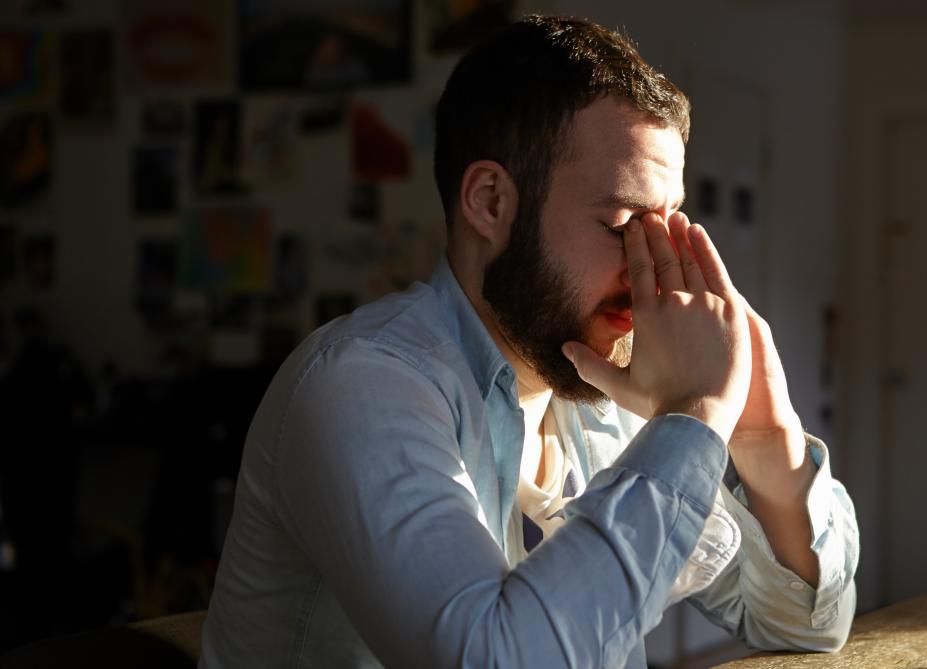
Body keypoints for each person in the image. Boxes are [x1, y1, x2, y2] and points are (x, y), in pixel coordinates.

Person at [200, 15, 857, 668]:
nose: (651, 271)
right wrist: (696, 414)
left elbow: (801, 624)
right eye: (624, 225)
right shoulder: (358, 388)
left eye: (666, 228)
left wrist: (768, 444)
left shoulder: (611, 395)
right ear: (490, 202)